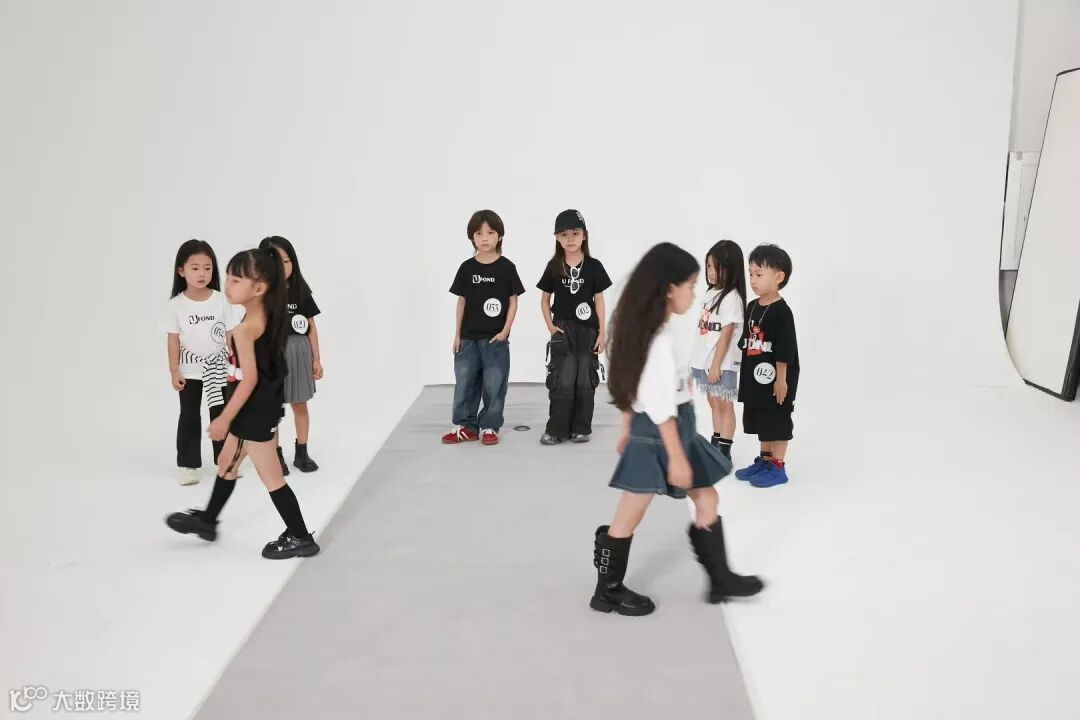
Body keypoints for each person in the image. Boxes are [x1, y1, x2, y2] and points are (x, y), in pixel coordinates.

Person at [590, 242, 764, 617]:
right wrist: (676, 456)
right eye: (690, 285)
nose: (694, 293)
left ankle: (720, 579)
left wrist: (627, 424)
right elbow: (657, 403)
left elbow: (633, 384)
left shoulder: (647, 331)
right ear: (670, 289)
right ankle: (607, 590)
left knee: (707, 499)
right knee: (629, 514)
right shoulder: (657, 342)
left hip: (672, 429)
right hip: (659, 434)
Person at [166, 248, 320, 559]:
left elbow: (249, 380)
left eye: (236, 280)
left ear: (259, 288)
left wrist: (224, 419)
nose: (227, 285)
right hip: (258, 408)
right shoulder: (263, 318)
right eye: (228, 277)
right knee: (227, 462)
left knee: (271, 478)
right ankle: (208, 521)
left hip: (254, 412)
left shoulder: (247, 329)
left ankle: (301, 537)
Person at [159, 239, 243, 485]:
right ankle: (188, 465)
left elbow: (230, 333)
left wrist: (236, 364)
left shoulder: (221, 300)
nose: (202, 273)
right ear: (181, 270)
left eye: (207, 268)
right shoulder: (175, 305)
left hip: (219, 367)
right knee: (189, 416)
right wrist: (174, 370)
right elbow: (173, 339)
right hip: (190, 370)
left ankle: (225, 459)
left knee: (221, 413)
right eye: (194, 268)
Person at [442, 210, 525, 446]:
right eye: (479, 233)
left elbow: (513, 300)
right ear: (472, 238)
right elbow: (461, 302)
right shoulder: (466, 268)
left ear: (500, 236)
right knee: (465, 383)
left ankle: (489, 426)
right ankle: (465, 426)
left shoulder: (507, 268)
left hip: (495, 339)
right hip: (468, 339)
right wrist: (457, 335)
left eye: (490, 232)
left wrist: (505, 331)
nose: (485, 238)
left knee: (494, 384)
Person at [538, 209, 612, 445]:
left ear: (584, 235)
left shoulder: (594, 266)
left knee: (585, 379)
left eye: (575, 233)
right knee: (563, 378)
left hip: (588, 330)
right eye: (563, 234)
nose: (570, 239)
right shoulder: (554, 266)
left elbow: (599, 300)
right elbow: (544, 299)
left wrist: (602, 332)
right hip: (563, 328)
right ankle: (556, 429)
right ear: (557, 238)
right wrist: (551, 327)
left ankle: (581, 428)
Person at [734, 244, 800, 488]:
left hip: (777, 378)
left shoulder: (782, 312)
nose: (753, 280)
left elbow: (785, 349)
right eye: (750, 273)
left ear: (779, 277)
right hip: (755, 377)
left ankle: (778, 467)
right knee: (762, 418)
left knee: (777, 419)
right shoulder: (752, 307)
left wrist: (781, 380)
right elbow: (746, 342)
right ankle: (765, 460)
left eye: (759, 274)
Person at [689, 240, 746, 459]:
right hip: (706, 359)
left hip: (720, 362)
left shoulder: (731, 298)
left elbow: (727, 333)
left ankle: (724, 449)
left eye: (717, 268)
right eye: (709, 266)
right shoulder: (712, 292)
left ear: (731, 269)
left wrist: (716, 365)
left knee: (724, 403)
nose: (711, 272)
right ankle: (716, 440)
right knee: (714, 402)